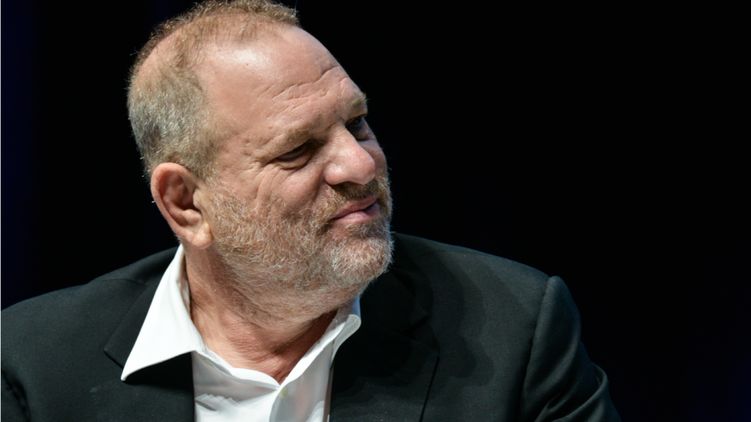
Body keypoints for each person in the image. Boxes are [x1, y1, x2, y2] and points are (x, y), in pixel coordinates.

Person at [1, 1, 620, 420]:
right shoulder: (32, 365)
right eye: (297, 150)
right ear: (186, 203)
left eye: (358, 123)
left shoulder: (514, 328)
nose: (360, 165)